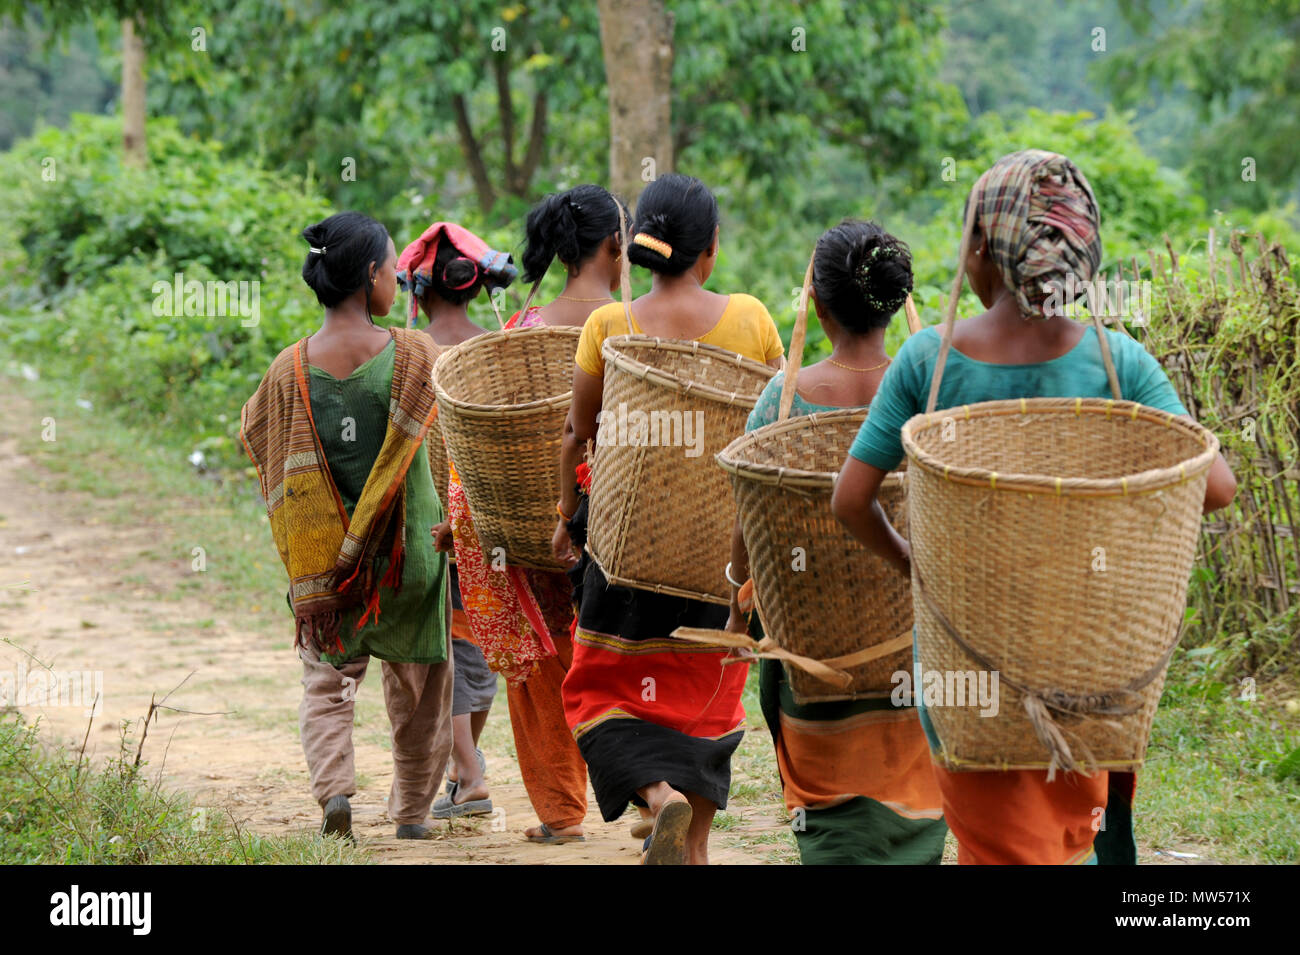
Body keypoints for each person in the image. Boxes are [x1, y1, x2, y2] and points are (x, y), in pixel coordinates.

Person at [830, 150, 1238, 865]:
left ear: (982, 246)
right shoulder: (1121, 364)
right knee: (1052, 845)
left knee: (998, 846)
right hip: (1088, 665)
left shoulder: (928, 361)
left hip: (966, 663)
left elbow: (851, 500)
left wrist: (915, 566)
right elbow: (1215, 486)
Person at [554, 173, 785, 864]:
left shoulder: (610, 323)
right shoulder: (751, 317)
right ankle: (693, 835)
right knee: (705, 711)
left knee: (597, 692)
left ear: (635, 247)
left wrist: (567, 516)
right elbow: (777, 423)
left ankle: (656, 794)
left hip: (626, 551)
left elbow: (575, 431)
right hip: (723, 560)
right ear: (710, 249)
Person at [728, 220, 947, 864]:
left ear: (816, 306)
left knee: (828, 808)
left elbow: (747, 522)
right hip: (912, 646)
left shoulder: (783, 402)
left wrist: (736, 585)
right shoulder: (928, 398)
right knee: (913, 791)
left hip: (812, 658)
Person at [240, 211, 452, 841]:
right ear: (368, 276)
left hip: (328, 571)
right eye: (392, 267)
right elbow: (446, 452)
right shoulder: (415, 356)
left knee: (327, 684)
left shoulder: (288, 369)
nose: (398, 278)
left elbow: (256, 434)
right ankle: (413, 813)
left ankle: (334, 792)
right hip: (407, 558)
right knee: (420, 691)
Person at [396, 221, 518, 819]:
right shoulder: (498, 349)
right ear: (476, 287)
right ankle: (465, 764)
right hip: (488, 525)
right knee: (477, 645)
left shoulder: (405, 350)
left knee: (435, 652)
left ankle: (468, 771)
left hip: (423, 525)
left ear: (419, 289)